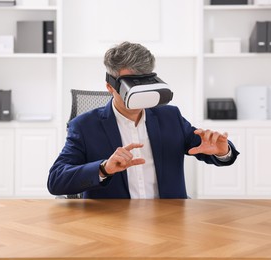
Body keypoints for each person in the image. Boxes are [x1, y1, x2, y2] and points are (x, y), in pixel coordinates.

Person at [48, 41, 239, 199]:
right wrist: (104, 169)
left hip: (169, 221)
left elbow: (207, 148)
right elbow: (56, 181)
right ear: (110, 86)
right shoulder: (85, 126)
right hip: (111, 225)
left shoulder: (170, 117)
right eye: (131, 84)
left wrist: (223, 151)